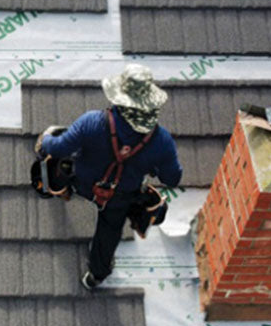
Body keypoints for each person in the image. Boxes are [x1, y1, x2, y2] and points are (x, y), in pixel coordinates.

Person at [36, 64, 182, 290]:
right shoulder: (162, 142)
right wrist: (153, 165)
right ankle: (96, 275)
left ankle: (63, 190)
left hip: (83, 183)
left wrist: (45, 142)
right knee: (109, 232)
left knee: (60, 157)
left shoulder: (92, 122)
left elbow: (59, 148)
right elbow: (173, 179)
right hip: (119, 198)